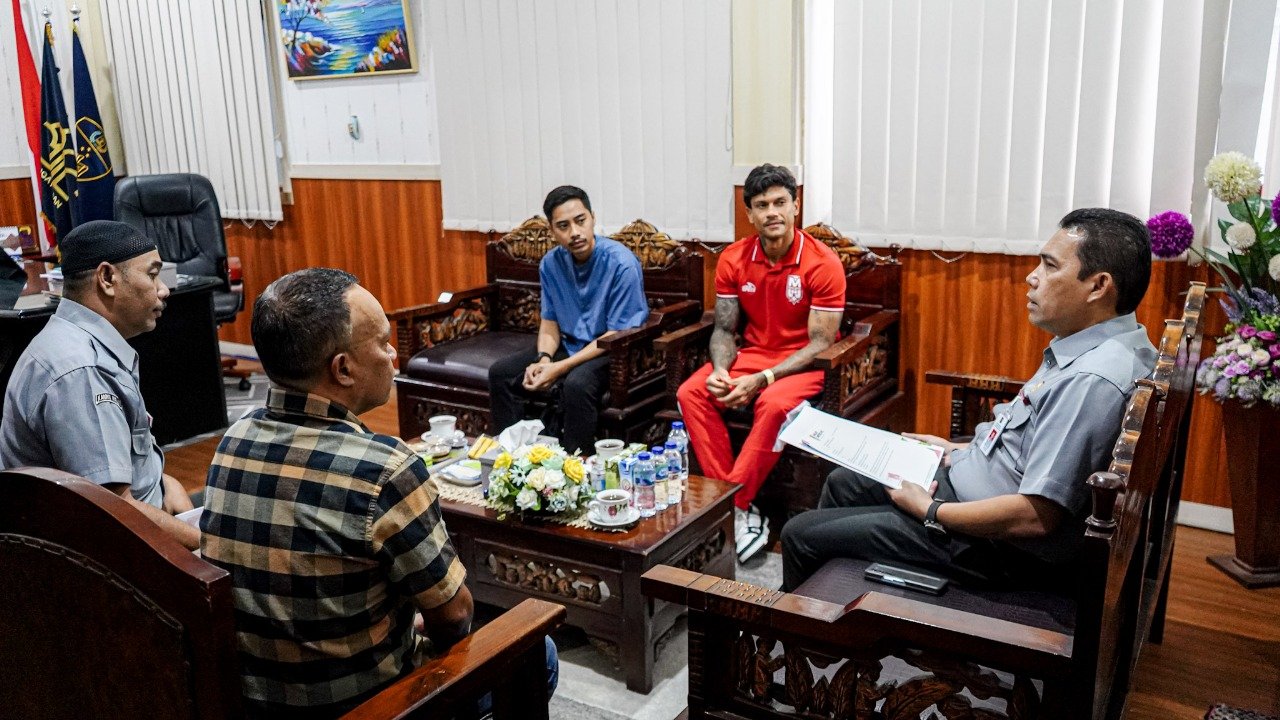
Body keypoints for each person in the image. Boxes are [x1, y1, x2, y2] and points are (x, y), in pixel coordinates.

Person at [201, 268, 556, 717]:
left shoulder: (234, 441)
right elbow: (455, 617)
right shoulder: (385, 469)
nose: (393, 354)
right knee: (537, 650)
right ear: (343, 369)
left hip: (259, 705)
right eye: (383, 342)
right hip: (373, 707)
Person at [780, 208, 1157, 591]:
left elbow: (1036, 516)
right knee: (845, 482)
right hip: (974, 487)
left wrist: (931, 510)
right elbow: (1026, 443)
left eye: (1049, 266)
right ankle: (841, 601)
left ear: (1098, 286)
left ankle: (819, 620)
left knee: (801, 535)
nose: (1032, 277)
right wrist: (957, 450)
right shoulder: (1105, 344)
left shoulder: (1090, 380)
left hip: (994, 546)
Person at [676, 164, 847, 563]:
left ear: (795, 206)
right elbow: (723, 330)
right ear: (749, 213)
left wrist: (764, 378)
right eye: (762, 205)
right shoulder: (734, 258)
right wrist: (721, 370)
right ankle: (738, 510)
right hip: (752, 356)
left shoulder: (822, 262)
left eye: (780, 202)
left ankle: (730, 507)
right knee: (691, 392)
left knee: (772, 404)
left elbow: (821, 343)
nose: (772, 212)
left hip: (806, 364)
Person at [0, 220, 197, 549]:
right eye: (152, 274)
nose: (163, 289)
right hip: (117, 557)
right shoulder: (81, 371)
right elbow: (113, 511)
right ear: (107, 278)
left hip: (143, 521)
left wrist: (165, 483)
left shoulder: (74, 341)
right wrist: (207, 543)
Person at [488, 185, 649, 454]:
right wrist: (544, 360)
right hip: (570, 345)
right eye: (563, 226)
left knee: (576, 384)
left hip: (613, 350)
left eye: (580, 221)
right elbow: (550, 322)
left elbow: (615, 335)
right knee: (501, 373)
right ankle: (512, 458)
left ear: (593, 218)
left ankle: (575, 464)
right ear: (552, 230)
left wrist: (559, 368)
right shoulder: (551, 264)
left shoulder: (621, 263)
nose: (574, 232)